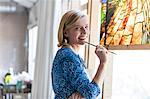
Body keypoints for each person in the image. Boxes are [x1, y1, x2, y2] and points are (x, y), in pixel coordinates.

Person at [51, 10, 108, 99]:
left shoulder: (69, 54)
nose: (84, 32)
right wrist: (103, 63)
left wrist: (82, 94)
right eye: (77, 28)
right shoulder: (68, 57)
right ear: (65, 32)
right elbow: (90, 93)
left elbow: (85, 93)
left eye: (86, 27)